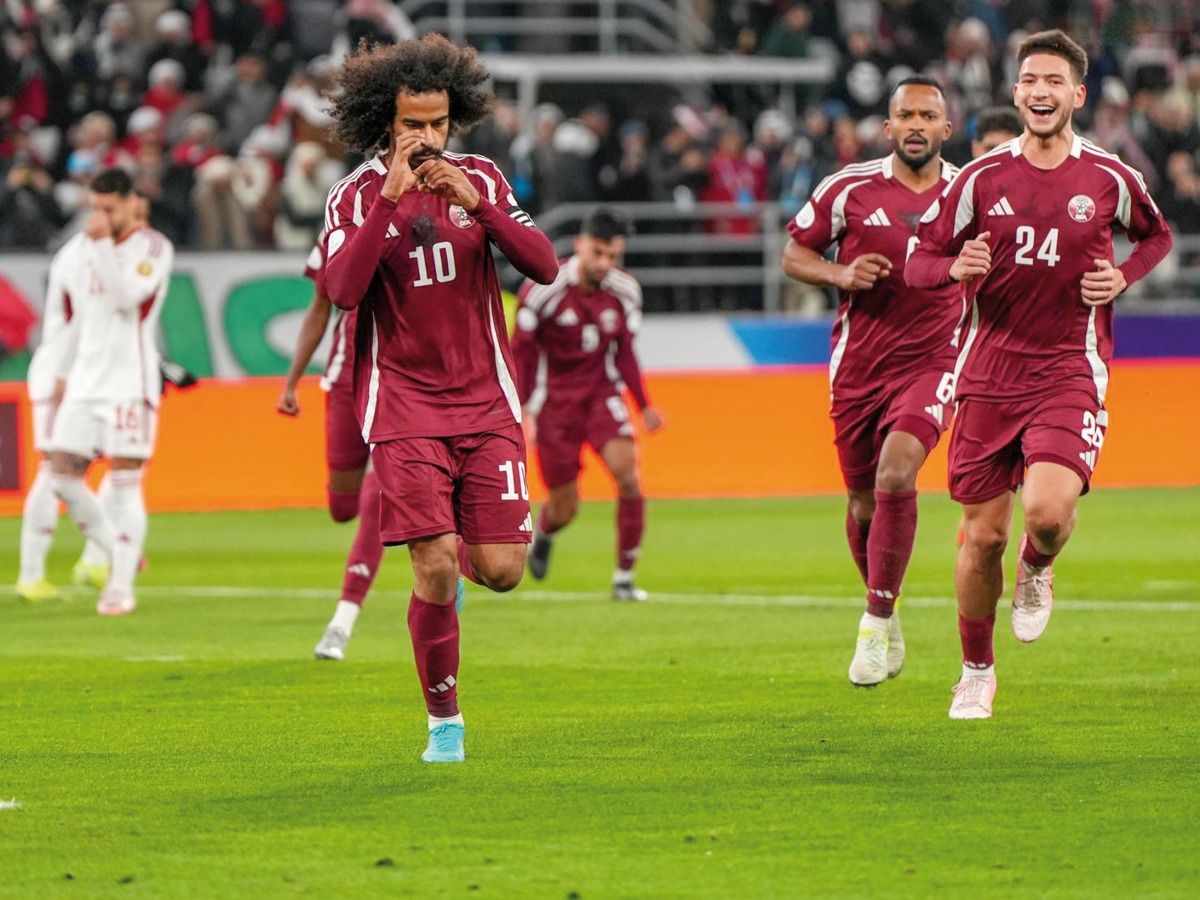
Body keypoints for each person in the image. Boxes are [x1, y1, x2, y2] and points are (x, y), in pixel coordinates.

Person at [906, 30, 1173, 719]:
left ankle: (1039, 565)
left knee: (1048, 516)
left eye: (1055, 81)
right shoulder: (978, 179)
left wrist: (1123, 275)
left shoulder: (1109, 177)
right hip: (988, 372)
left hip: (1068, 369)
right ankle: (975, 671)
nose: (1041, 91)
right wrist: (951, 269)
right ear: (1016, 92)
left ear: (1077, 95)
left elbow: (1158, 236)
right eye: (1029, 80)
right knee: (981, 536)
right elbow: (919, 259)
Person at [321, 34, 559, 763]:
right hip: (404, 408)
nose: (426, 137)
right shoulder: (355, 195)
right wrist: (392, 199)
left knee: (502, 572)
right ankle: (444, 722)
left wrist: (482, 209)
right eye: (411, 124)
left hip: (486, 402)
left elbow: (543, 265)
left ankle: (446, 574)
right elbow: (340, 290)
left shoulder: (482, 177)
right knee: (433, 565)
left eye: (437, 122)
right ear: (383, 125)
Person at [782, 76, 962, 687]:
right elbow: (792, 254)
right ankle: (887, 611)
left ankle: (874, 621)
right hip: (858, 367)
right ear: (888, 128)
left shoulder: (969, 192)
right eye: (905, 115)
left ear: (946, 127)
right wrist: (840, 272)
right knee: (862, 503)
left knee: (896, 470)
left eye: (927, 115)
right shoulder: (848, 188)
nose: (916, 124)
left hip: (935, 360)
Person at [512, 207, 664, 601]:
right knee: (565, 508)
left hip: (601, 395)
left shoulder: (626, 290)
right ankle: (545, 534)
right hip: (553, 405)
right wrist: (522, 408)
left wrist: (643, 403)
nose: (604, 264)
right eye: (598, 253)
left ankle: (624, 578)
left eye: (613, 256)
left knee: (629, 477)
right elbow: (522, 353)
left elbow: (626, 352)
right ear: (579, 245)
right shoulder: (545, 288)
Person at [44, 168, 175, 616]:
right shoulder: (78, 251)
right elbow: (74, 318)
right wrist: (61, 374)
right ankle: (121, 554)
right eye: (93, 207)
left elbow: (125, 300)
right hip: (84, 381)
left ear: (128, 202)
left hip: (128, 383)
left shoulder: (153, 248)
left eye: (108, 208)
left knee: (123, 483)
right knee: (61, 474)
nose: (98, 217)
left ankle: (119, 587)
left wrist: (99, 246)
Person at [277, 230, 397, 661]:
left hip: (402, 384)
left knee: (376, 500)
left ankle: (341, 622)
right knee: (342, 508)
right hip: (346, 381)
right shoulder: (340, 228)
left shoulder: (425, 222)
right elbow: (320, 307)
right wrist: (292, 382)